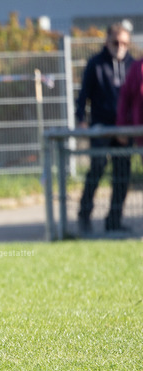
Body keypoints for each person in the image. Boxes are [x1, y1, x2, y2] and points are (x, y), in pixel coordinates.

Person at [76, 21, 134, 234]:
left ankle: (114, 220)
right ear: (107, 41)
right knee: (97, 168)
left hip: (124, 129)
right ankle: (84, 215)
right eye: (116, 42)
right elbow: (84, 94)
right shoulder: (96, 64)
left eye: (124, 43)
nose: (120, 47)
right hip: (101, 126)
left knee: (122, 174)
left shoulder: (132, 65)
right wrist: (81, 119)